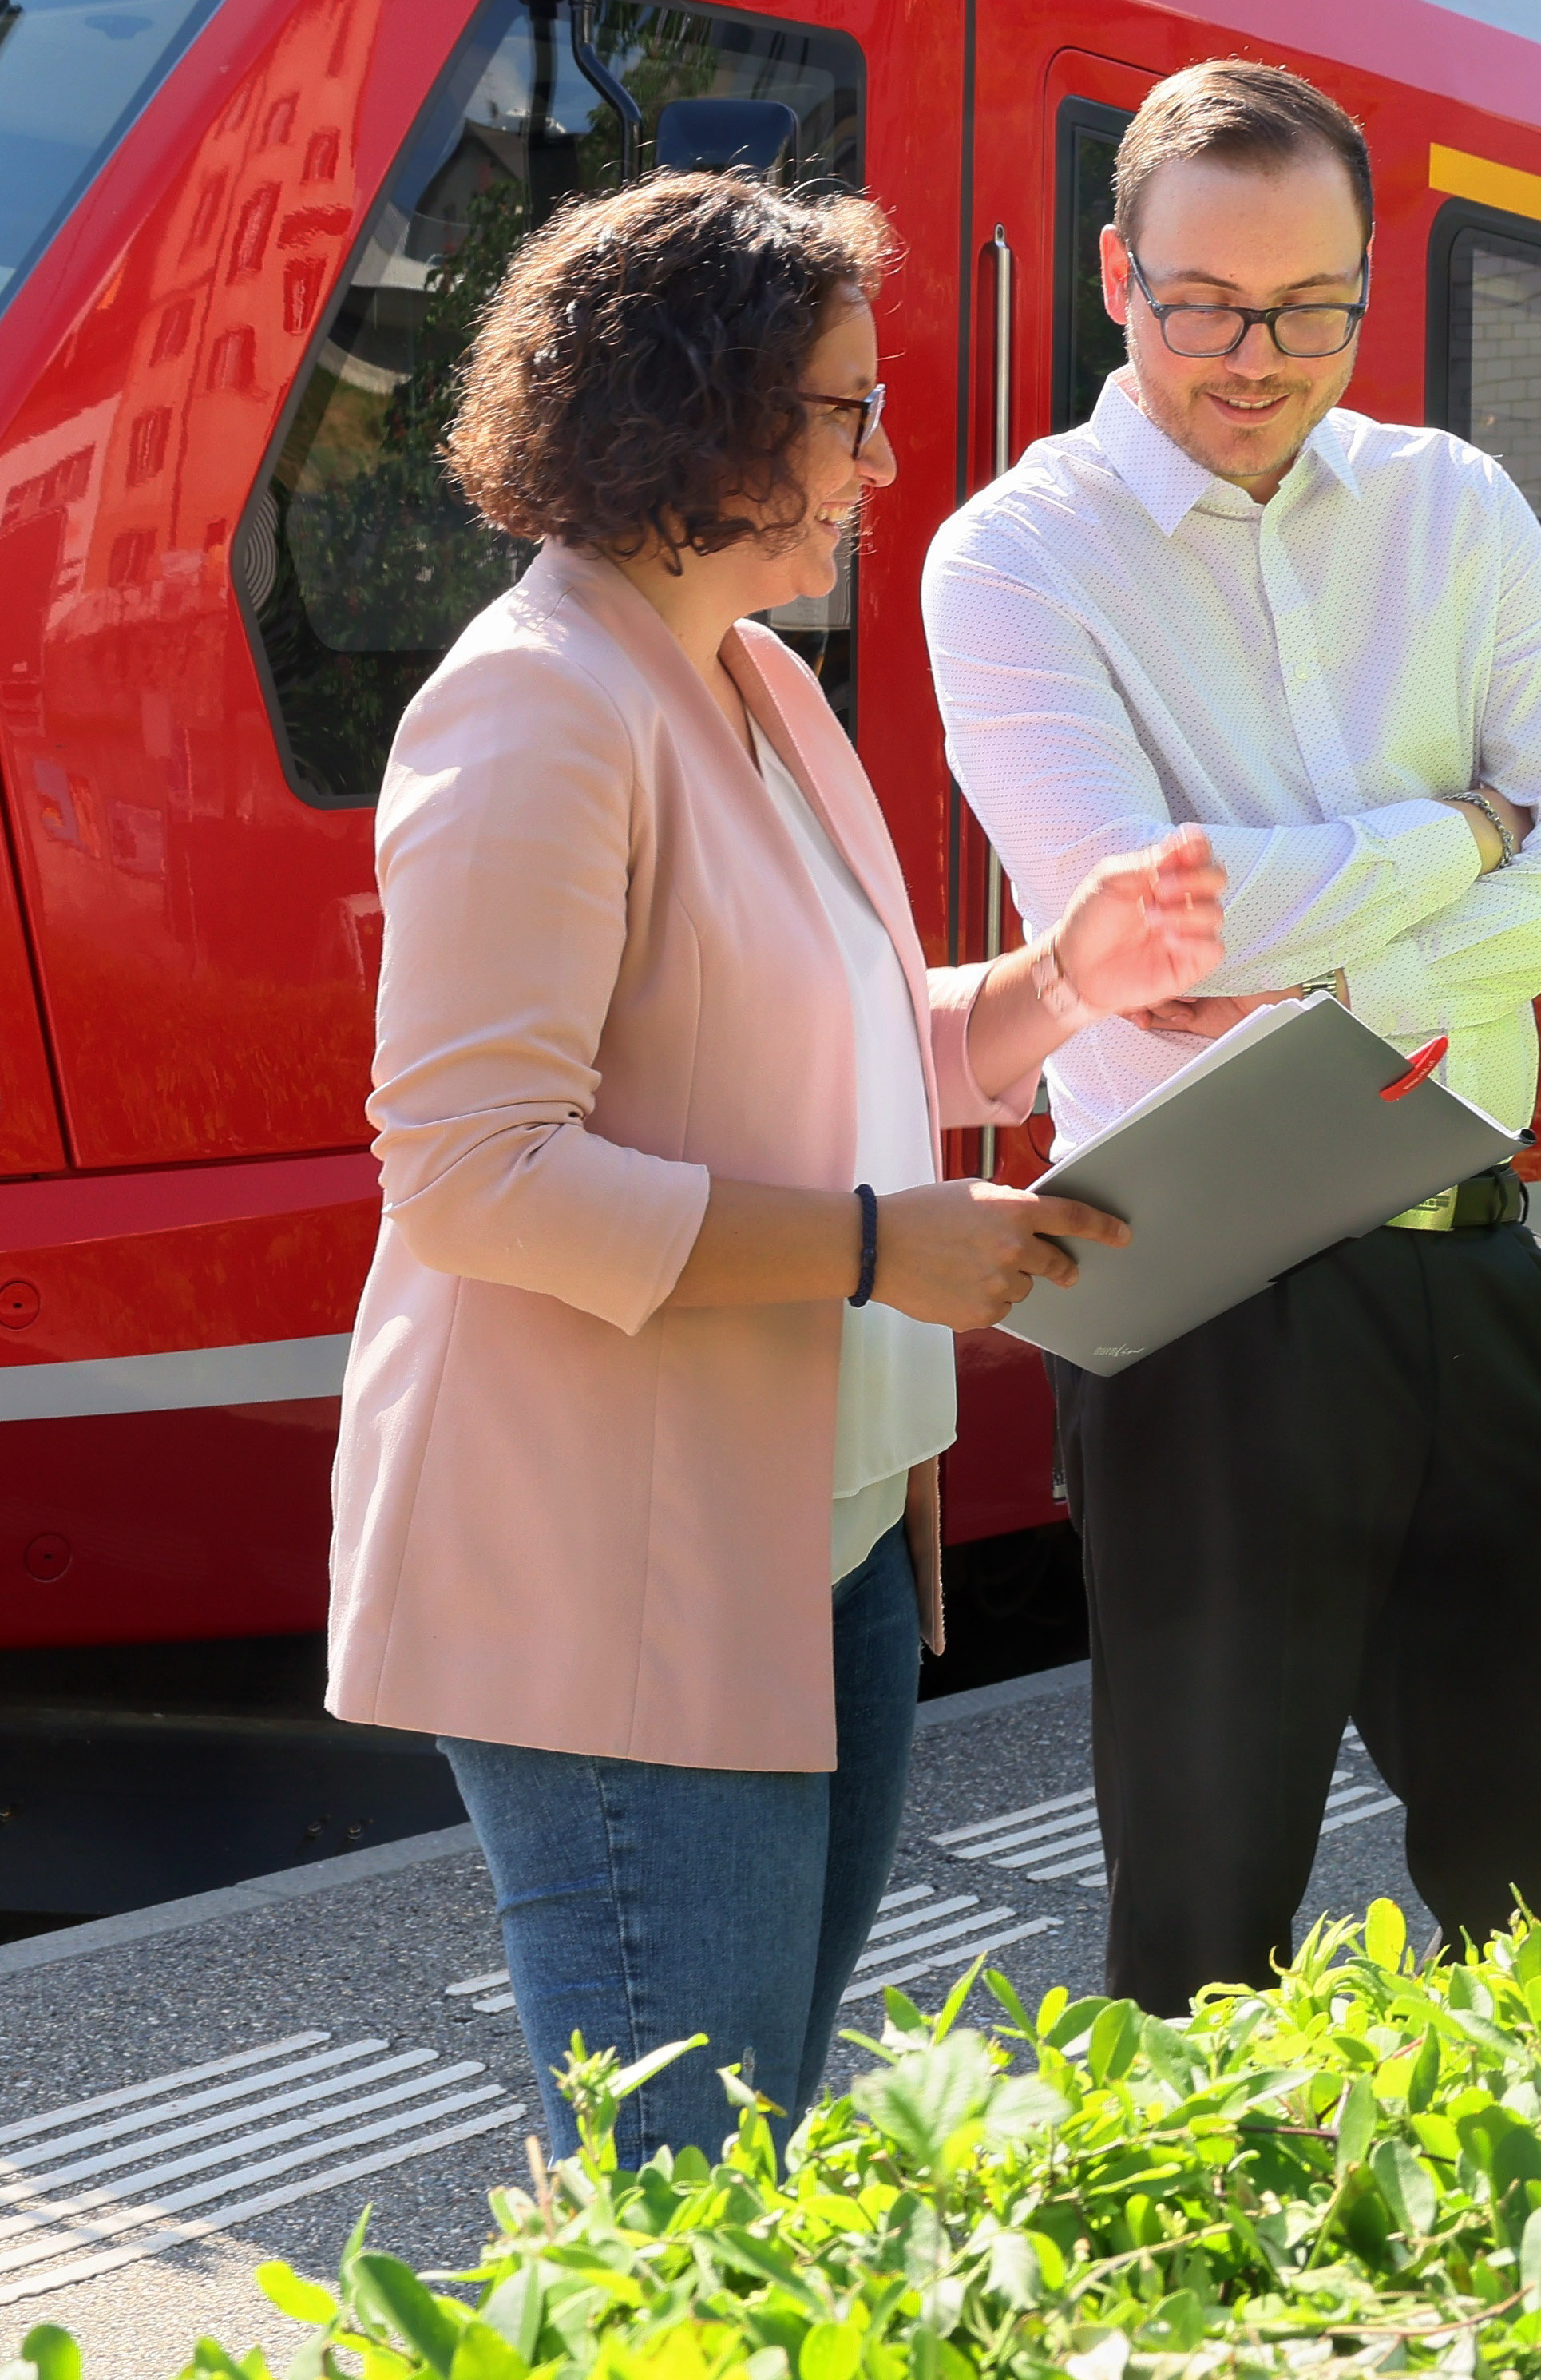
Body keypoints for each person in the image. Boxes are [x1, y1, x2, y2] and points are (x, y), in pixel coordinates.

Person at [331, 168, 1229, 2160]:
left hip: (803, 1532)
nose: (880, 456)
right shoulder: (532, 707)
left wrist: (1062, 983)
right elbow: (470, 1175)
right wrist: (866, 1250)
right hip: (620, 1571)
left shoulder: (753, 682)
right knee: (684, 2187)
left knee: (749, 2160)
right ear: (702, 414)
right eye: (844, 408)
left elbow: (830, 1055)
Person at [923, 58, 1541, 2014]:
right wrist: (1462, 833)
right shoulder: (1009, 557)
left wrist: (1363, 991)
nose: (1256, 358)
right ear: (1111, 274)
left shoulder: (1453, 502)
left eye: (1311, 307)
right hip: (1194, 1305)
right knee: (1202, 1934)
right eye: (1204, 306)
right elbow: (1146, 928)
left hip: (1477, 1264)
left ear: (1363, 281)